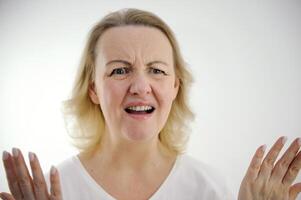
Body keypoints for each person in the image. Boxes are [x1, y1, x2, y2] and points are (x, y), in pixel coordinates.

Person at [1, 8, 301, 200]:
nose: (140, 87)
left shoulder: (209, 188)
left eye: (156, 70)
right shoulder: (55, 190)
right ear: (93, 89)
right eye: (119, 70)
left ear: (174, 87)